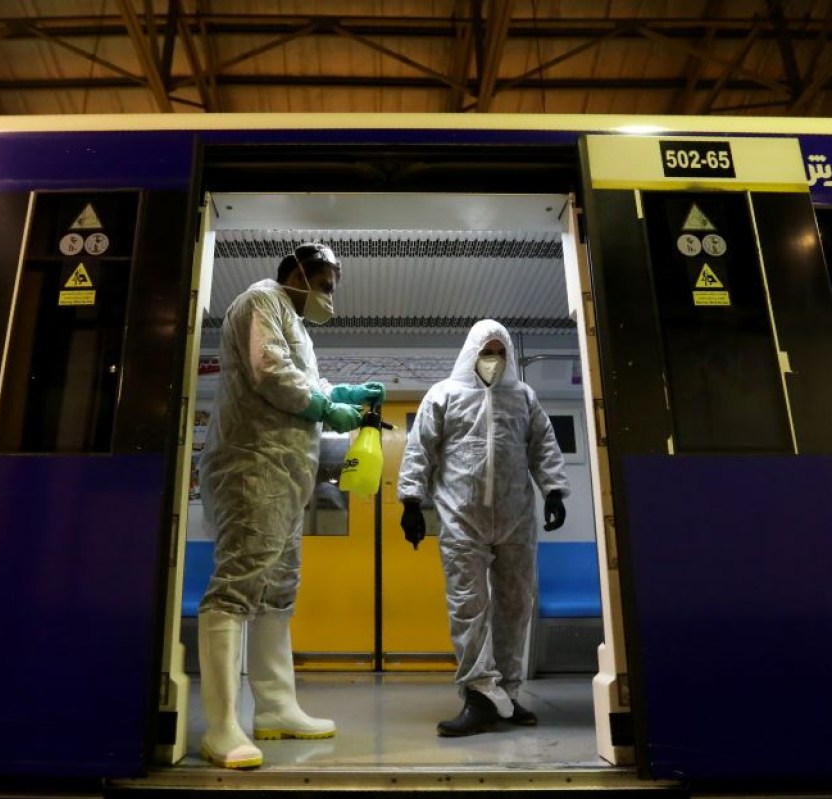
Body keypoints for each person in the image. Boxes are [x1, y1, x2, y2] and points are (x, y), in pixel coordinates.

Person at [196, 242, 385, 769]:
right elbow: (270, 371)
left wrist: (340, 391)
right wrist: (327, 406)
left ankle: (275, 708)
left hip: (285, 474)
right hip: (250, 464)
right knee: (238, 583)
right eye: (325, 284)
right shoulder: (263, 299)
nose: (329, 296)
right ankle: (221, 726)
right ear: (298, 272)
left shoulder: (297, 326)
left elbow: (307, 380)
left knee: (278, 588)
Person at [397, 319, 569, 737]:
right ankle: (478, 694)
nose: (494, 360)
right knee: (467, 607)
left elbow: (543, 445)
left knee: (515, 606)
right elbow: (420, 447)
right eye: (487, 351)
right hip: (462, 519)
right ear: (472, 352)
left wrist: (554, 491)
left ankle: (507, 695)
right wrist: (411, 501)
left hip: (515, 519)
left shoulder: (523, 397)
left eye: (500, 352)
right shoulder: (445, 394)